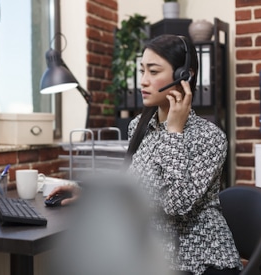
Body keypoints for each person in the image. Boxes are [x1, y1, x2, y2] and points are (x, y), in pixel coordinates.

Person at [47, 34, 243, 275]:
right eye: (142, 71)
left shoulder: (210, 137)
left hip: (200, 262)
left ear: (185, 76)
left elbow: (176, 204)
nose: (143, 81)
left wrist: (174, 132)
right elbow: (136, 188)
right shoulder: (139, 126)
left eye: (153, 71)